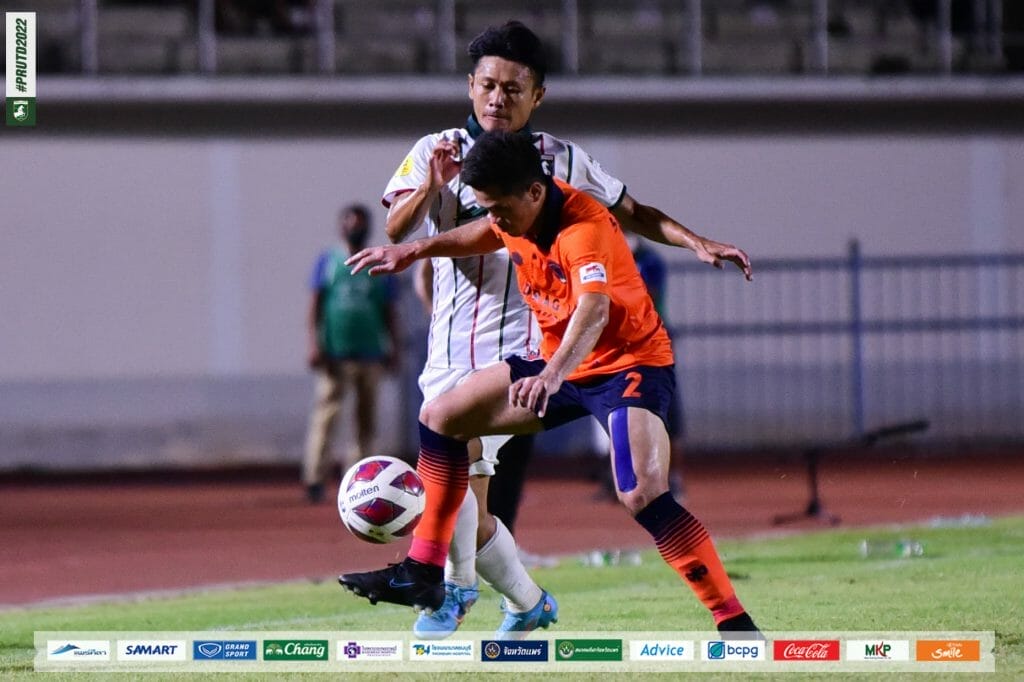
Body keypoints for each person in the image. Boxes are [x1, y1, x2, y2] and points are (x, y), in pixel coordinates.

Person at [375, 20, 752, 640]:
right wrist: (415, 244)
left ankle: (733, 622)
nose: (497, 98)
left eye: (512, 88)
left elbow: (602, 289)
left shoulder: (575, 202)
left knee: (635, 493)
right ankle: (454, 581)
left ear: (537, 96)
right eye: (487, 85)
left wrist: (694, 241)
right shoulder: (462, 170)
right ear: (470, 86)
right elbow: (465, 229)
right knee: (444, 432)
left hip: (591, 357)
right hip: (495, 350)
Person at [301, 204, 399, 503]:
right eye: (350, 223)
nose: (355, 228)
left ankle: (359, 480)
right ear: (341, 226)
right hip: (335, 354)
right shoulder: (329, 261)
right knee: (326, 416)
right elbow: (316, 305)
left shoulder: (378, 262)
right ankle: (315, 477)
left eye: (360, 224)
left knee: (365, 421)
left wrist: (393, 346)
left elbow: (389, 310)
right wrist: (314, 344)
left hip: (370, 353)